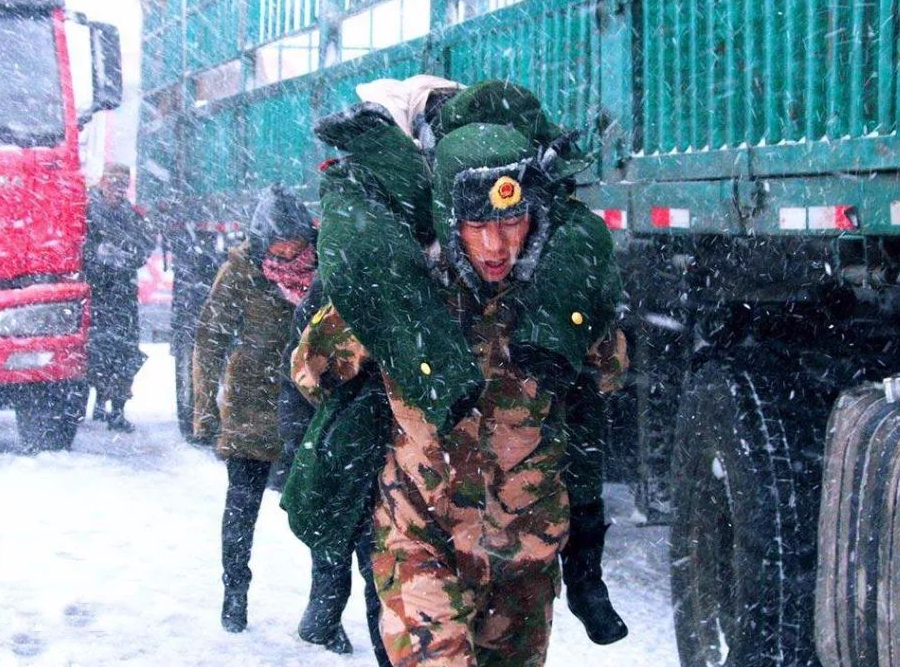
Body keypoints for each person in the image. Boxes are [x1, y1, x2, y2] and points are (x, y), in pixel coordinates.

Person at [293, 118, 625, 665]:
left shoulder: (556, 296)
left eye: (513, 221)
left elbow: (606, 373)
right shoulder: (404, 291)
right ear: (450, 219)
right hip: (421, 546)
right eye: (476, 226)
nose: (496, 245)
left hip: (525, 559)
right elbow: (311, 372)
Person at [192, 184, 317, 633]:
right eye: (279, 249)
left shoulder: (325, 266)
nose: (288, 257)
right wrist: (205, 407)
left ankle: (323, 608)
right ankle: (235, 592)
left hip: (310, 404)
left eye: (296, 247)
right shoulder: (241, 271)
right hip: (252, 405)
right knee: (242, 508)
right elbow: (210, 338)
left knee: (322, 510)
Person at [84, 164, 156, 432]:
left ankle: (118, 408)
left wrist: (128, 255)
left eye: (122, 185)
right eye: (113, 184)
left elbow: (144, 247)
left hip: (123, 295)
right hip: (97, 293)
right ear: (102, 183)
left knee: (124, 353)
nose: (118, 190)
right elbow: (78, 247)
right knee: (96, 350)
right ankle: (97, 401)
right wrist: (97, 254)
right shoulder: (87, 212)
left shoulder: (131, 216)